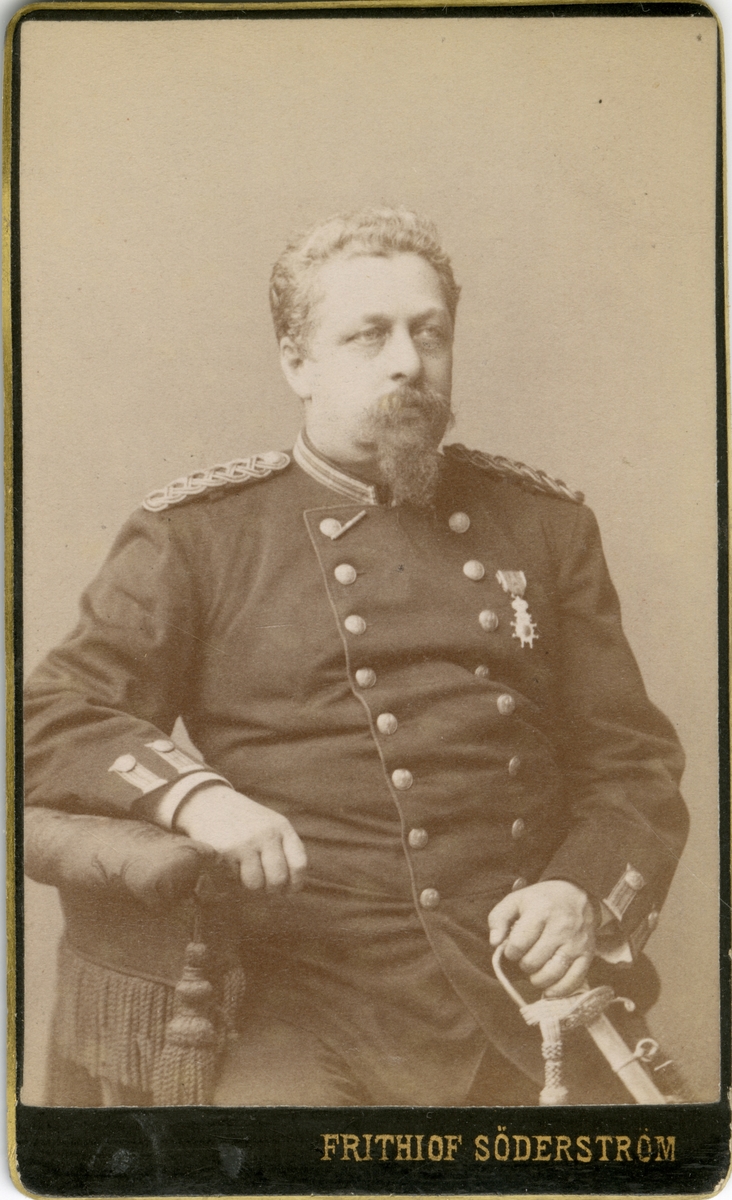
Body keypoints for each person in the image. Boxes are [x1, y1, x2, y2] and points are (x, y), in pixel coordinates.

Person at [24, 207, 688, 1106]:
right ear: (297, 363)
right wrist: (197, 798)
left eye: (429, 332)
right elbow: (51, 715)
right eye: (368, 335)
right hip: (297, 996)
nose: (408, 361)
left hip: (516, 990)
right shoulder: (201, 537)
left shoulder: (545, 524)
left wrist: (580, 893)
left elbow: (632, 765)